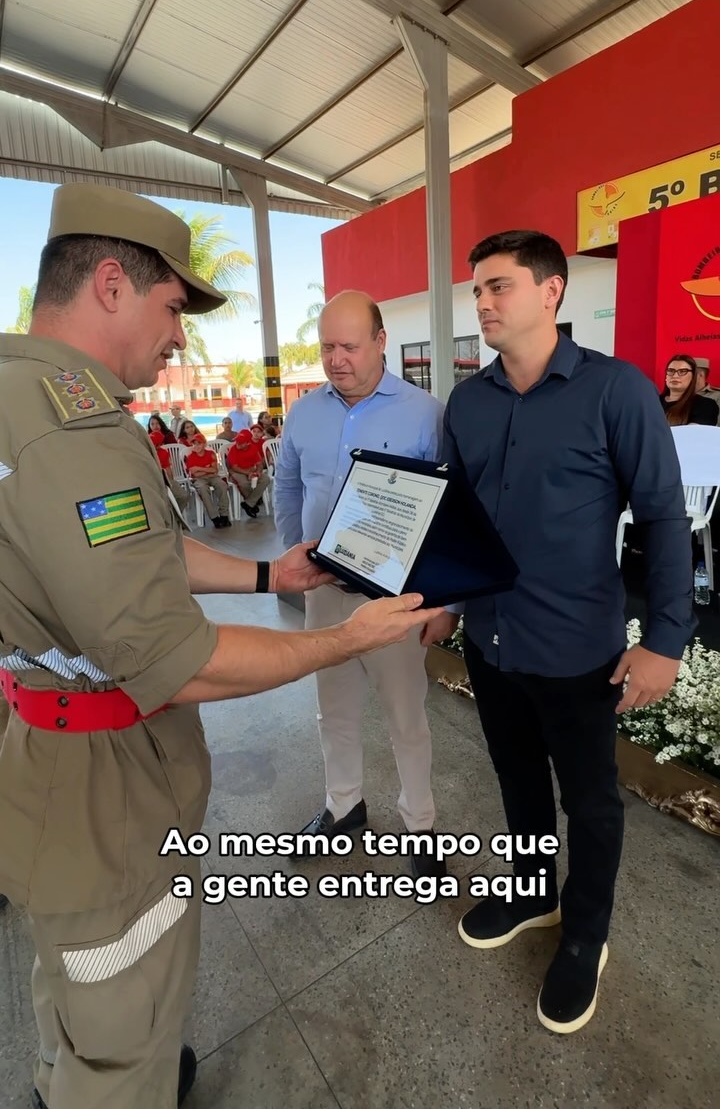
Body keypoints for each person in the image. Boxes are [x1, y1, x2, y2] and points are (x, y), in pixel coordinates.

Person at [0, 183, 441, 1109]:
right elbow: (179, 659)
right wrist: (344, 637)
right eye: (172, 311)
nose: (178, 339)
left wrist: (262, 577)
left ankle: (63, 1079)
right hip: (102, 778)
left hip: (48, 751)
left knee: (70, 977)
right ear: (112, 285)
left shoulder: (23, 389)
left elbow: (145, 552)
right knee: (125, 1005)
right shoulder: (75, 425)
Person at [436, 230, 693, 1035]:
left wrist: (666, 642)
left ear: (551, 292)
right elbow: (458, 514)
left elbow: (663, 518)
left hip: (578, 648)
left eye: (499, 286)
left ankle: (585, 936)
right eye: (477, 289)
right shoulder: (468, 402)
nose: (483, 302)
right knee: (516, 782)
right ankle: (533, 897)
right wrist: (445, 600)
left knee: (590, 800)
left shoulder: (616, 392)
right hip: (491, 638)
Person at [274, 291, 449, 876]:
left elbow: (447, 511)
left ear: (381, 342)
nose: (336, 359)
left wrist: (445, 604)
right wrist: (291, 560)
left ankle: (420, 824)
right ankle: (343, 806)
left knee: (406, 717)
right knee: (334, 710)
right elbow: (289, 488)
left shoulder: (425, 413)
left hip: (393, 598)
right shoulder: (303, 412)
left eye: (350, 346)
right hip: (325, 592)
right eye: (327, 347)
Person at [184, 432, 230, 528]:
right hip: (198, 479)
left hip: (213, 477)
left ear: (204, 444)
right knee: (203, 489)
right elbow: (195, 474)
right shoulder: (190, 457)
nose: (196, 446)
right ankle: (214, 518)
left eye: (199, 443)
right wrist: (207, 469)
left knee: (222, 485)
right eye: (194, 444)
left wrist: (198, 468)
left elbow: (215, 470)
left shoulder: (211, 454)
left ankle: (224, 515)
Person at [660, 355, 717, 426]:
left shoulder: (705, 404)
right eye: (671, 371)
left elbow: (692, 434)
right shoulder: (653, 401)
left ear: (693, 377)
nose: (675, 376)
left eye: (682, 371)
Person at [226, 425, 271, 517]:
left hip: (251, 469)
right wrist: (248, 473)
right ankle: (253, 503)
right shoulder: (233, 449)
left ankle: (248, 503)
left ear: (247, 443)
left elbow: (259, 463)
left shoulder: (252, 448)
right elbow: (234, 467)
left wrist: (258, 472)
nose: (237, 444)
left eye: (241, 442)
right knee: (244, 483)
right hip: (237, 472)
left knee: (265, 479)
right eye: (237, 441)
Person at [149, 430, 190, 513]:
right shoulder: (144, 454)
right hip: (151, 482)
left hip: (165, 480)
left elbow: (168, 469)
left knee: (183, 496)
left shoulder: (163, 452)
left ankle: (176, 515)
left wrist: (171, 483)